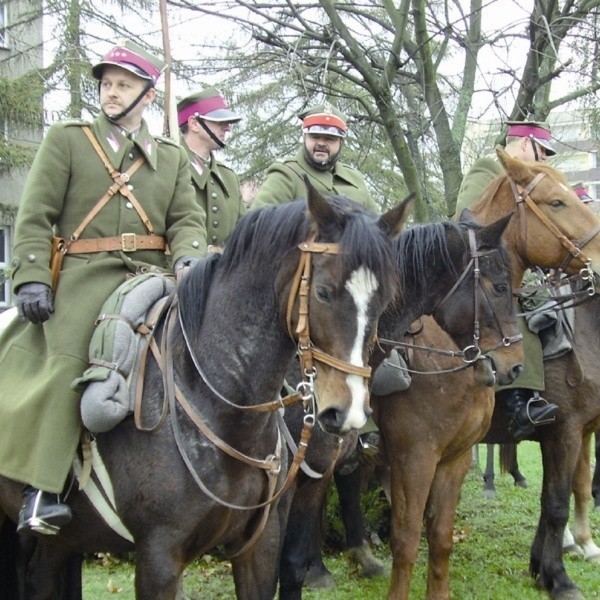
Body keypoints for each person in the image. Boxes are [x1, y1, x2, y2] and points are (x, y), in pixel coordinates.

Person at [0, 40, 207, 536]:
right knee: (69, 360)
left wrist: (189, 261)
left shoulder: (171, 158)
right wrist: (29, 276)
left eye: (124, 85)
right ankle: (41, 491)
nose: (111, 93)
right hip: (83, 276)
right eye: (107, 84)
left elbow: (186, 220)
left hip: (154, 277)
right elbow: (35, 215)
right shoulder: (68, 139)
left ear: (148, 96)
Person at [456, 120, 559, 440]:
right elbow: (467, 217)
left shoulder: (529, 185)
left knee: (545, 300)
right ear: (526, 143)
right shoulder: (488, 168)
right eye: (542, 151)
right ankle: (517, 401)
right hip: (475, 267)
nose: (543, 160)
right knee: (518, 304)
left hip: (507, 266)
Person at [251, 103, 379, 212]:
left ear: (341, 142)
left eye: (330, 138)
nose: (321, 143)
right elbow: (257, 226)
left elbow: (382, 229)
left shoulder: (355, 179)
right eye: (315, 136)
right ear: (305, 137)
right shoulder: (285, 175)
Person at [177, 88, 245, 248]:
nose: (227, 128)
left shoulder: (228, 177)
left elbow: (244, 233)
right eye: (219, 122)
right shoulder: (167, 166)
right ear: (194, 124)